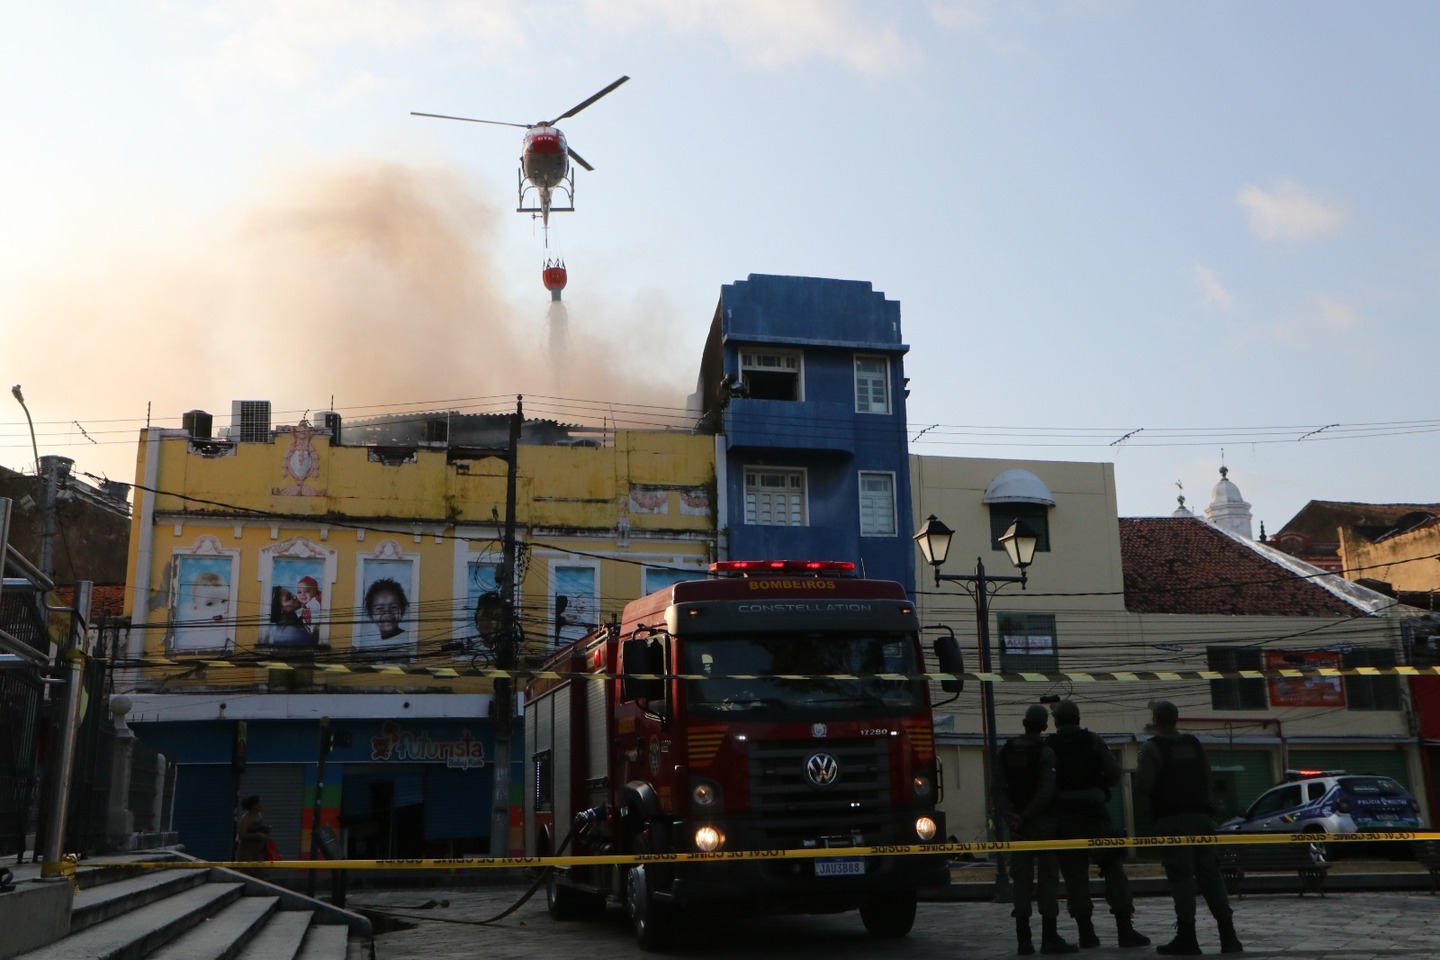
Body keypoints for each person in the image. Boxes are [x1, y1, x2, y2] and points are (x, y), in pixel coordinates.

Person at [1135, 700, 1242, 956]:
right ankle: (1229, 936)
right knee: (1210, 875)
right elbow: (1208, 778)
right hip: (1202, 819)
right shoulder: (1194, 744)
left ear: (1155, 720)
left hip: (1173, 821)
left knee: (1181, 878)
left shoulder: (1152, 748)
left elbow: (1144, 786)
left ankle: (1187, 937)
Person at [1045, 700, 1149, 949]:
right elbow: (1114, 774)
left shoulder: (1049, 746)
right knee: (1113, 869)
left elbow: (1045, 784)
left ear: (1056, 722)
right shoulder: (1093, 741)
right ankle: (1125, 930)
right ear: (1078, 718)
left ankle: (1086, 933)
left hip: (1064, 819)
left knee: (1074, 877)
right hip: (1095, 816)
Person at [993, 705, 1077, 955]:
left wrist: (1011, 817)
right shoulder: (1045, 752)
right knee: (1048, 879)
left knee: (1021, 879)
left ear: (1023, 722)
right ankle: (1049, 938)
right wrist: (1026, 815)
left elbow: (997, 789)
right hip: (1043, 823)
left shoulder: (1006, 751)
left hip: (1018, 826)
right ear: (1044, 727)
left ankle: (1024, 940)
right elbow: (1046, 791)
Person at [364, 577, 409, 642]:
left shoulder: (408, 639)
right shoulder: (370, 642)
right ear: (370, 613)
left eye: (393, 608)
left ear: (402, 609)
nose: (387, 613)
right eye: (380, 609)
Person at [235, 795, 272, 861]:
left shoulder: (259, 815)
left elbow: (258, 828)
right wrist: (257, 836)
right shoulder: (245, 819)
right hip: (247, 851)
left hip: (259, 850)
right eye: (260, 802)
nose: (262, 805)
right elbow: (242, 835)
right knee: (247, 870)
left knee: (260, 870)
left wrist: (265, 830)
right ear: (254, 805)